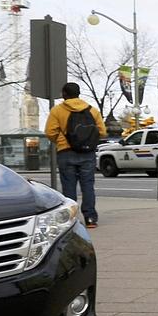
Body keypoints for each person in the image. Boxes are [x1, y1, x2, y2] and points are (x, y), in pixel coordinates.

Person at [44, 82, 107, 228]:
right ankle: (91, 218)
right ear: (78, 93)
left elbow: (50, 132)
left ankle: (72, 220)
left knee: (68, 188)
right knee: (88, 186)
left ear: (64, 94)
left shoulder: (57, 111)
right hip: (87, 153)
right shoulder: (92, 110)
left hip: (66, 152)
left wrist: (61, 141)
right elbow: (102, 132)